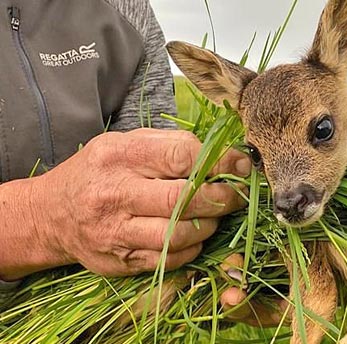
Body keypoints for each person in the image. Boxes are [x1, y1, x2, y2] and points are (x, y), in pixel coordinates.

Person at [0, 0, 278, 324]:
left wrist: (201, 269)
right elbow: (60, 220)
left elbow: (155, 204)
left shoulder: (126, 10)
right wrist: (42, 221)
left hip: (86, 336)